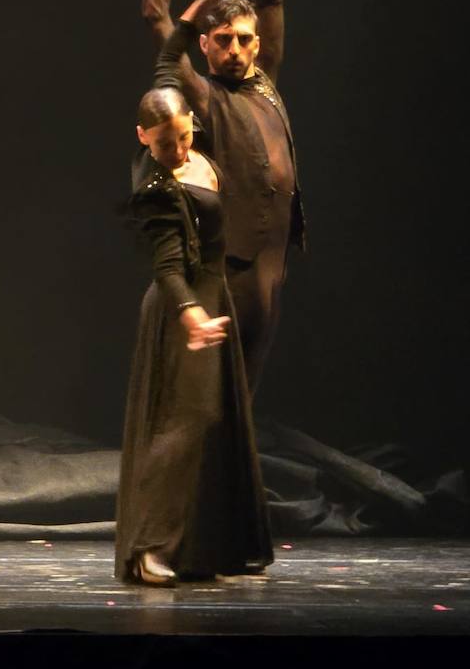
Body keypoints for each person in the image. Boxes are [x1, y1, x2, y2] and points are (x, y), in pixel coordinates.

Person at [142, 0, 305, 392]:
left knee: (245, 393)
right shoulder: (206, 97)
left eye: (244, 40)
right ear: (207, 47)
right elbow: (156, 18)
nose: (235, 50)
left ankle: (228, 472)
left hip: (271, 264)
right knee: (211, 394)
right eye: (223, 41)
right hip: (229, 266)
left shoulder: (265, 79)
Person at [115, 87, 272, 585]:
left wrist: (185, 25)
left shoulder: (191, 154)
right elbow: (167, 269)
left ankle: (216, 547)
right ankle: (149, 547)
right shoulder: (158, 190)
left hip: (212, 300)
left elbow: (167, 67)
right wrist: (192, 318)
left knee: (219, 418)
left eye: (184, 137)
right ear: (143, 138)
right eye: (165, 145)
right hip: (182, 316)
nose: (179, 150)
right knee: (187, 420)